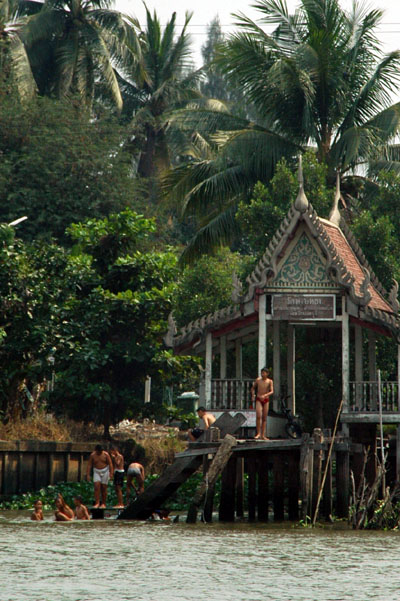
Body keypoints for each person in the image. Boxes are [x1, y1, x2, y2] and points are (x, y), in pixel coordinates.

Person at [86, 444, 114, 508]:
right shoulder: (92, 455)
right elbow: (89, 465)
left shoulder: (106, 454)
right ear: (96, 451)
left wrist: (111, 473)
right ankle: (97, 502)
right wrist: (88, 475)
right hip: (96, 471)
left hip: (105, 470)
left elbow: (110, 463)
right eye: (98, 451)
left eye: (101, 451)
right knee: (96, 486)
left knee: (104, 487)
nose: (100, 453)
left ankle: (103, 503)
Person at [251, 367, 274, 440]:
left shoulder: (269, 381)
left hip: (265, 399)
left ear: (267, 374)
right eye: (262, 373)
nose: (262, 374)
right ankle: (258, 433)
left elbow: (272, 391)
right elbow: (252, 388)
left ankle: (263, 435)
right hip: (258, 398)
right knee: (258, 415)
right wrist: (253, 395)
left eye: (264, 373)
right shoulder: (258, 380)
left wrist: (265, 395)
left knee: (264, 417)